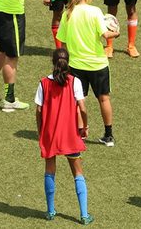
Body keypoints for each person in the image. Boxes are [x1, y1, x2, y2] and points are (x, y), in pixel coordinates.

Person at [56, 0, 120, 147]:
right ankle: (108, 136)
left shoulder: (68, 13)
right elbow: (106, 35)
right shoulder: (95, 12)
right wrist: (117, 33)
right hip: (98, 64)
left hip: (76, 65)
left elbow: (62, 41)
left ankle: (79, 133)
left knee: (78, 100)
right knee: (104, 99)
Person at [35, 49, 93, 224]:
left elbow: (39, 110)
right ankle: (84, 215)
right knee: (78, 172)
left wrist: (41, 131)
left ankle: (50, 211)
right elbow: (82, 107)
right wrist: (85, 126)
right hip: (70, 134)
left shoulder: (43, 83)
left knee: (49, 170)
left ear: (52, 61)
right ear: (68, 61)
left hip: (50, 134)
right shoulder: (75, 81)